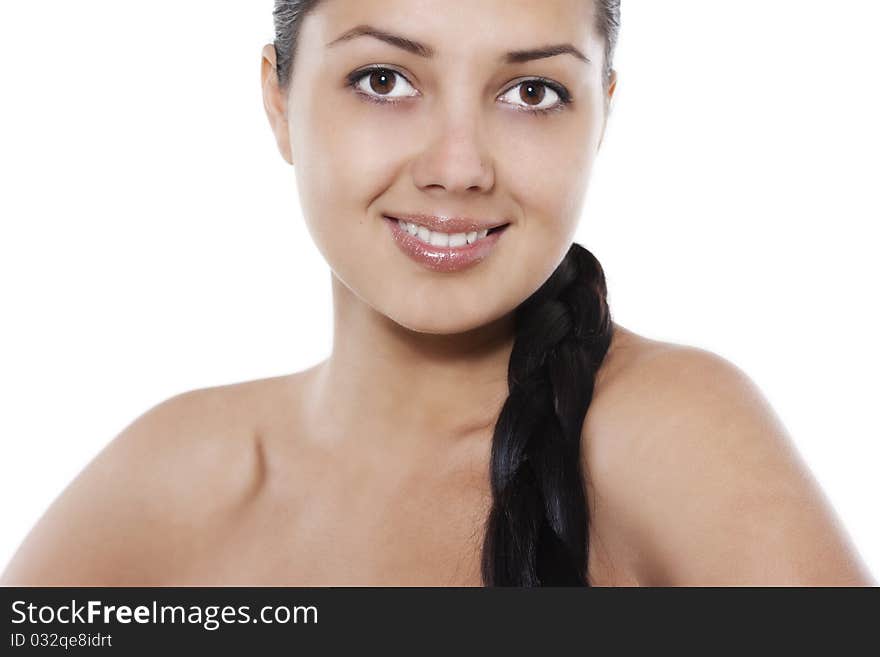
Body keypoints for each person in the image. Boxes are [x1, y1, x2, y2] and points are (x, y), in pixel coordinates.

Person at [1, 0, 873, 587]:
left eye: (532, 91)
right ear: (277, 98)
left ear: (601, 113)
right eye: (384, 79)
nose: (458, 168)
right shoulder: (172, 479)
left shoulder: (676, 437)